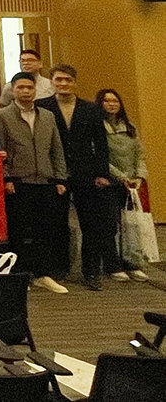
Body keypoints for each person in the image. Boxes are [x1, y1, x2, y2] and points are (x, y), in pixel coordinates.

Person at [37, 65, 116, 290]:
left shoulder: (91, 109)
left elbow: (100, 144)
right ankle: (59, 268)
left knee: (91, 224)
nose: (63, 84)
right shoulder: (42, 106)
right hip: (54, 173)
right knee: (56, 223)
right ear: (52, 82)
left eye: (68, 80)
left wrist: (102, 173)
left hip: (86, 173)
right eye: (59, 79)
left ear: (75, 82)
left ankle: (91, 271)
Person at [0, 72, 70, 294]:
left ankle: (43, 274)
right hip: (18, 181)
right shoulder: (2, 116)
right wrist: (6, 177)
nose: (26, 91)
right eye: (21, 87)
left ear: (36, 90)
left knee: (45, 230)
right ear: (13, 90)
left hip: (45, 180)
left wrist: (60, 178)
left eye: (30, 87)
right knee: (18, 231)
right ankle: (20, 275)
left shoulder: (47, 115)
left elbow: (57, 149)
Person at [97, 88, 151, 282]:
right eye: (106, 101)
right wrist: (121, 177)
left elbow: (140, 154)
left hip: (131, 186)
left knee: (132, 225)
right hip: (109, 183)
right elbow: (100, 158)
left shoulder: (130, 127)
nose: (111, 104)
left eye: (115, 101)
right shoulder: (98, 127)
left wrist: (139, 176)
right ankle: (113, 265)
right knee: (110, 226)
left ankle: (132, 263)